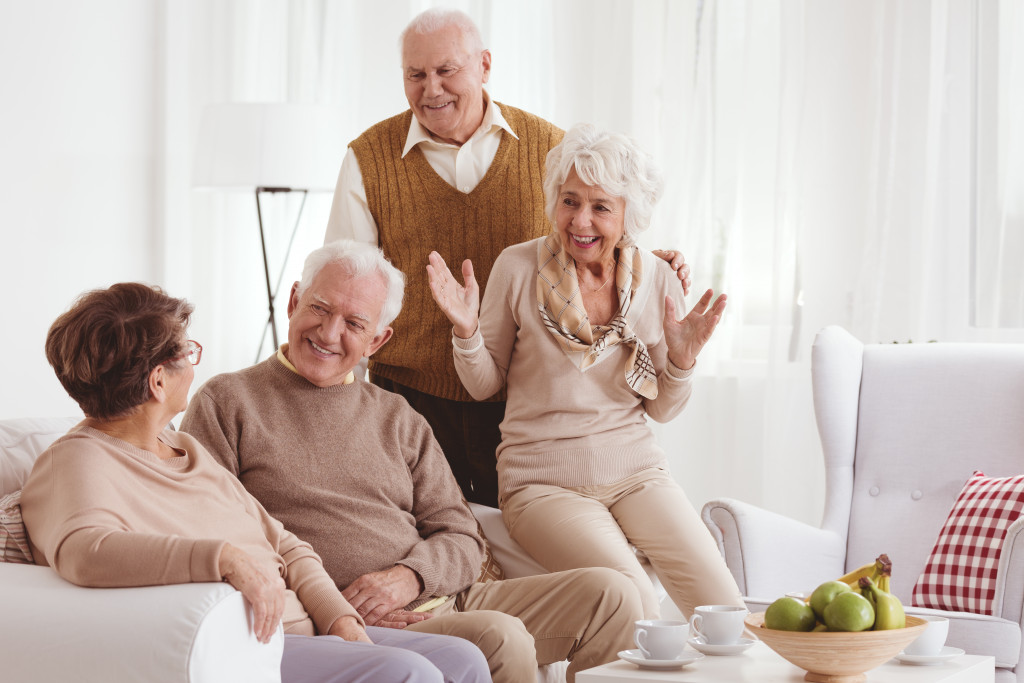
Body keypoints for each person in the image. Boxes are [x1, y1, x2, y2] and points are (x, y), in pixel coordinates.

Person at [181, 241, 643, 683]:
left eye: (354, 323)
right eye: (319, 309)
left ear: (378, 340)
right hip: (356, 619)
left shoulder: (396, 415)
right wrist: (325, 605)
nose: (328, 334)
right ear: (295, 300)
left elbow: (462, 534)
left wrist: (410, 577)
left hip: (447, 596)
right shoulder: (228, 401)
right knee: (500, 638)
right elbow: (215, 532)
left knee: (614, 595)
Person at [21, 282, 490, 683]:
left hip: (306, 624)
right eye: (187, 352)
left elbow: (285, 544)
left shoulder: (185, 450)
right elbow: (86, 551)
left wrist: (341, 620)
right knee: (408, 674)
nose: (194, 362)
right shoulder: (78, 460)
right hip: (251, 643)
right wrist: (223, 558)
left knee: (462, 659)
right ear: (159, 381)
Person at [325, 7, 691, 507]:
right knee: (429, 547)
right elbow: (349, 288)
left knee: (528, 560)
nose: (431, 88)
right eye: (416, 74)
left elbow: (591, 234)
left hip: (528, 403)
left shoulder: (551, 146)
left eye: (446, 70)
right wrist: (341, 400)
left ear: (484, 65)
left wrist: (652, 263)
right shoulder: (367, 158)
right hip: (409, 398)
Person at [426, 123, 745, 621]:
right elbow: (485, 385)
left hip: (638, 473)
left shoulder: (656, 278)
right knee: (636, 606)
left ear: (627, 216)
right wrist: (466, 332)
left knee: (725, 609)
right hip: (542, 482)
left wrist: (681, 361)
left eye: (601, 207)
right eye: (569, 201)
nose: (581, 221)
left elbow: (661, 408)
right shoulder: (517, 268)